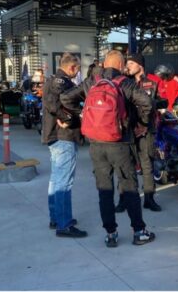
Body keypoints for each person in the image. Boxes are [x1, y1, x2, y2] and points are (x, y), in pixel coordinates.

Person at [61, 50, 156, 247]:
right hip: (121, 143)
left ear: (104, 64)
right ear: (121, 66)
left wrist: (84, 114)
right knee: (129, 187)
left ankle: (111, 234)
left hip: (96, 144)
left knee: (104, 190)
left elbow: (66, 98)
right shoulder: (125, 83)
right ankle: (139, 231)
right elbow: (147, 102)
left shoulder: (91, 82)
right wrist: (141, 124)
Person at [42, 52, 87, 238]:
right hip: (63, 137)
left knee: (56, 179)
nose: (77, 72)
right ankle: (64, 224)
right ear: (72, 67)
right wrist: (67, 118)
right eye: (77, 68)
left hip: (55, 136)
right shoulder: (61, 82)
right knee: (63, 182)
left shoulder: (53, 80)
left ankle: (56, 217)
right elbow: (54, 104)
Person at [123, 53, 162, 212]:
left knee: (147, 165)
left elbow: (152, 106)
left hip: (146, 130)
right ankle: (123, 199)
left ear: (140, 65)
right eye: (127, 63)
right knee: (126, 166)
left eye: (131, 63)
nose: (128, 66)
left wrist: (145, 126)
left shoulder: (152, 83)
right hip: (128, 130)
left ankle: (149, 198)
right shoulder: (124, 83)